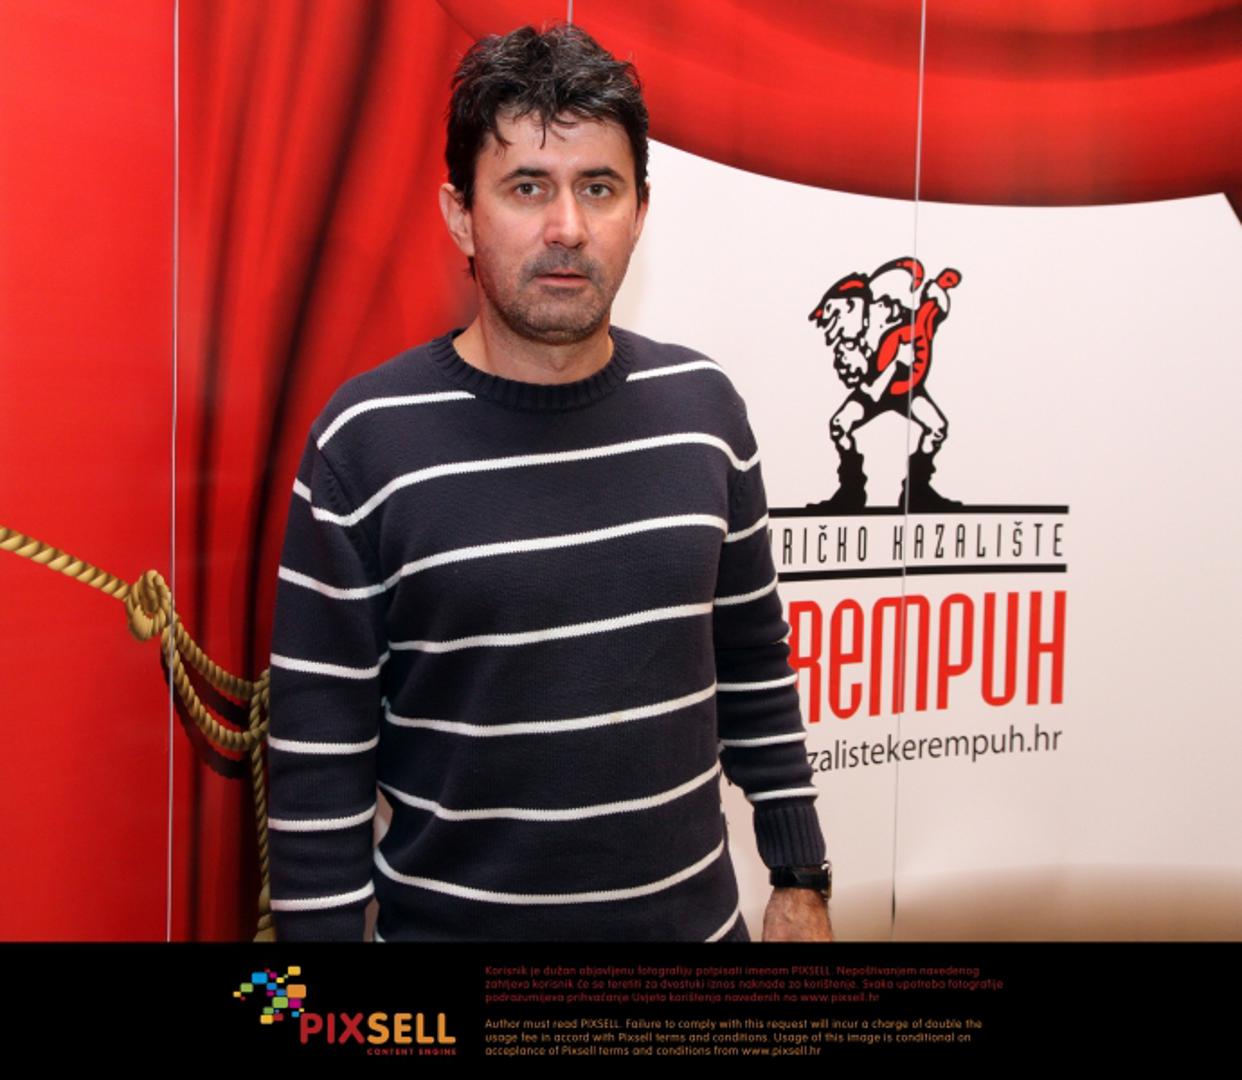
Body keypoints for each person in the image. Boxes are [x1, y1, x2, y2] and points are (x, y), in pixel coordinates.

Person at [267, 23, 831, 942]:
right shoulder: (364, 442)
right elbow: (318, 767)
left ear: (639, 212)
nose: (567, 228)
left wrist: (800, 875)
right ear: (461, 213)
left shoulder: (705, 410)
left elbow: (754, 662)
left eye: (598, 187)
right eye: (527, 187)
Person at [807, 258, 962, 509]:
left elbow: (932, 312)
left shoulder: (911, 320)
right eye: (883, 300)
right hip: (873, 388)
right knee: (840, 425)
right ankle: (851, 490)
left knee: (936, 427)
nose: (890, 303)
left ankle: (918, 488)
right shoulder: (859, 329)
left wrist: (939, 291)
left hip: (906, 387)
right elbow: (857, 373)